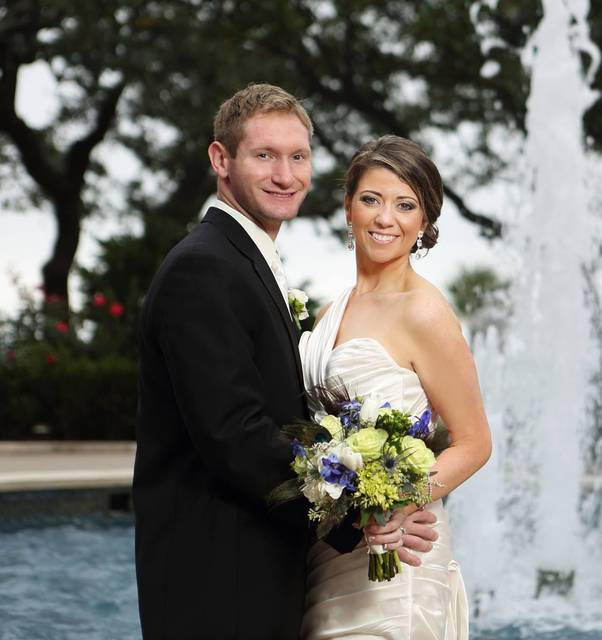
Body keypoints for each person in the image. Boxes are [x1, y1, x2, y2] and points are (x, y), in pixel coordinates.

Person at [133, 85, 435, 639]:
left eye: (298, 156)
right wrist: (361, 513)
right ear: (221, 160)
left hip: (261, 571)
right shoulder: (202, 268)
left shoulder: (246, 261)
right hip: (217, 582)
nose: (285, 175)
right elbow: (236, 436)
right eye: (265, 156)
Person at [298, 135, 493, 639]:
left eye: (405, 205)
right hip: (331, 554)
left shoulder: (424, 311)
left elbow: (475, 442)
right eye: (371, 199)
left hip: (396, 555)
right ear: (348, 206)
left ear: (424, 222)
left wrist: (397, 504)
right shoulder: (329, 311)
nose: (386, 219)